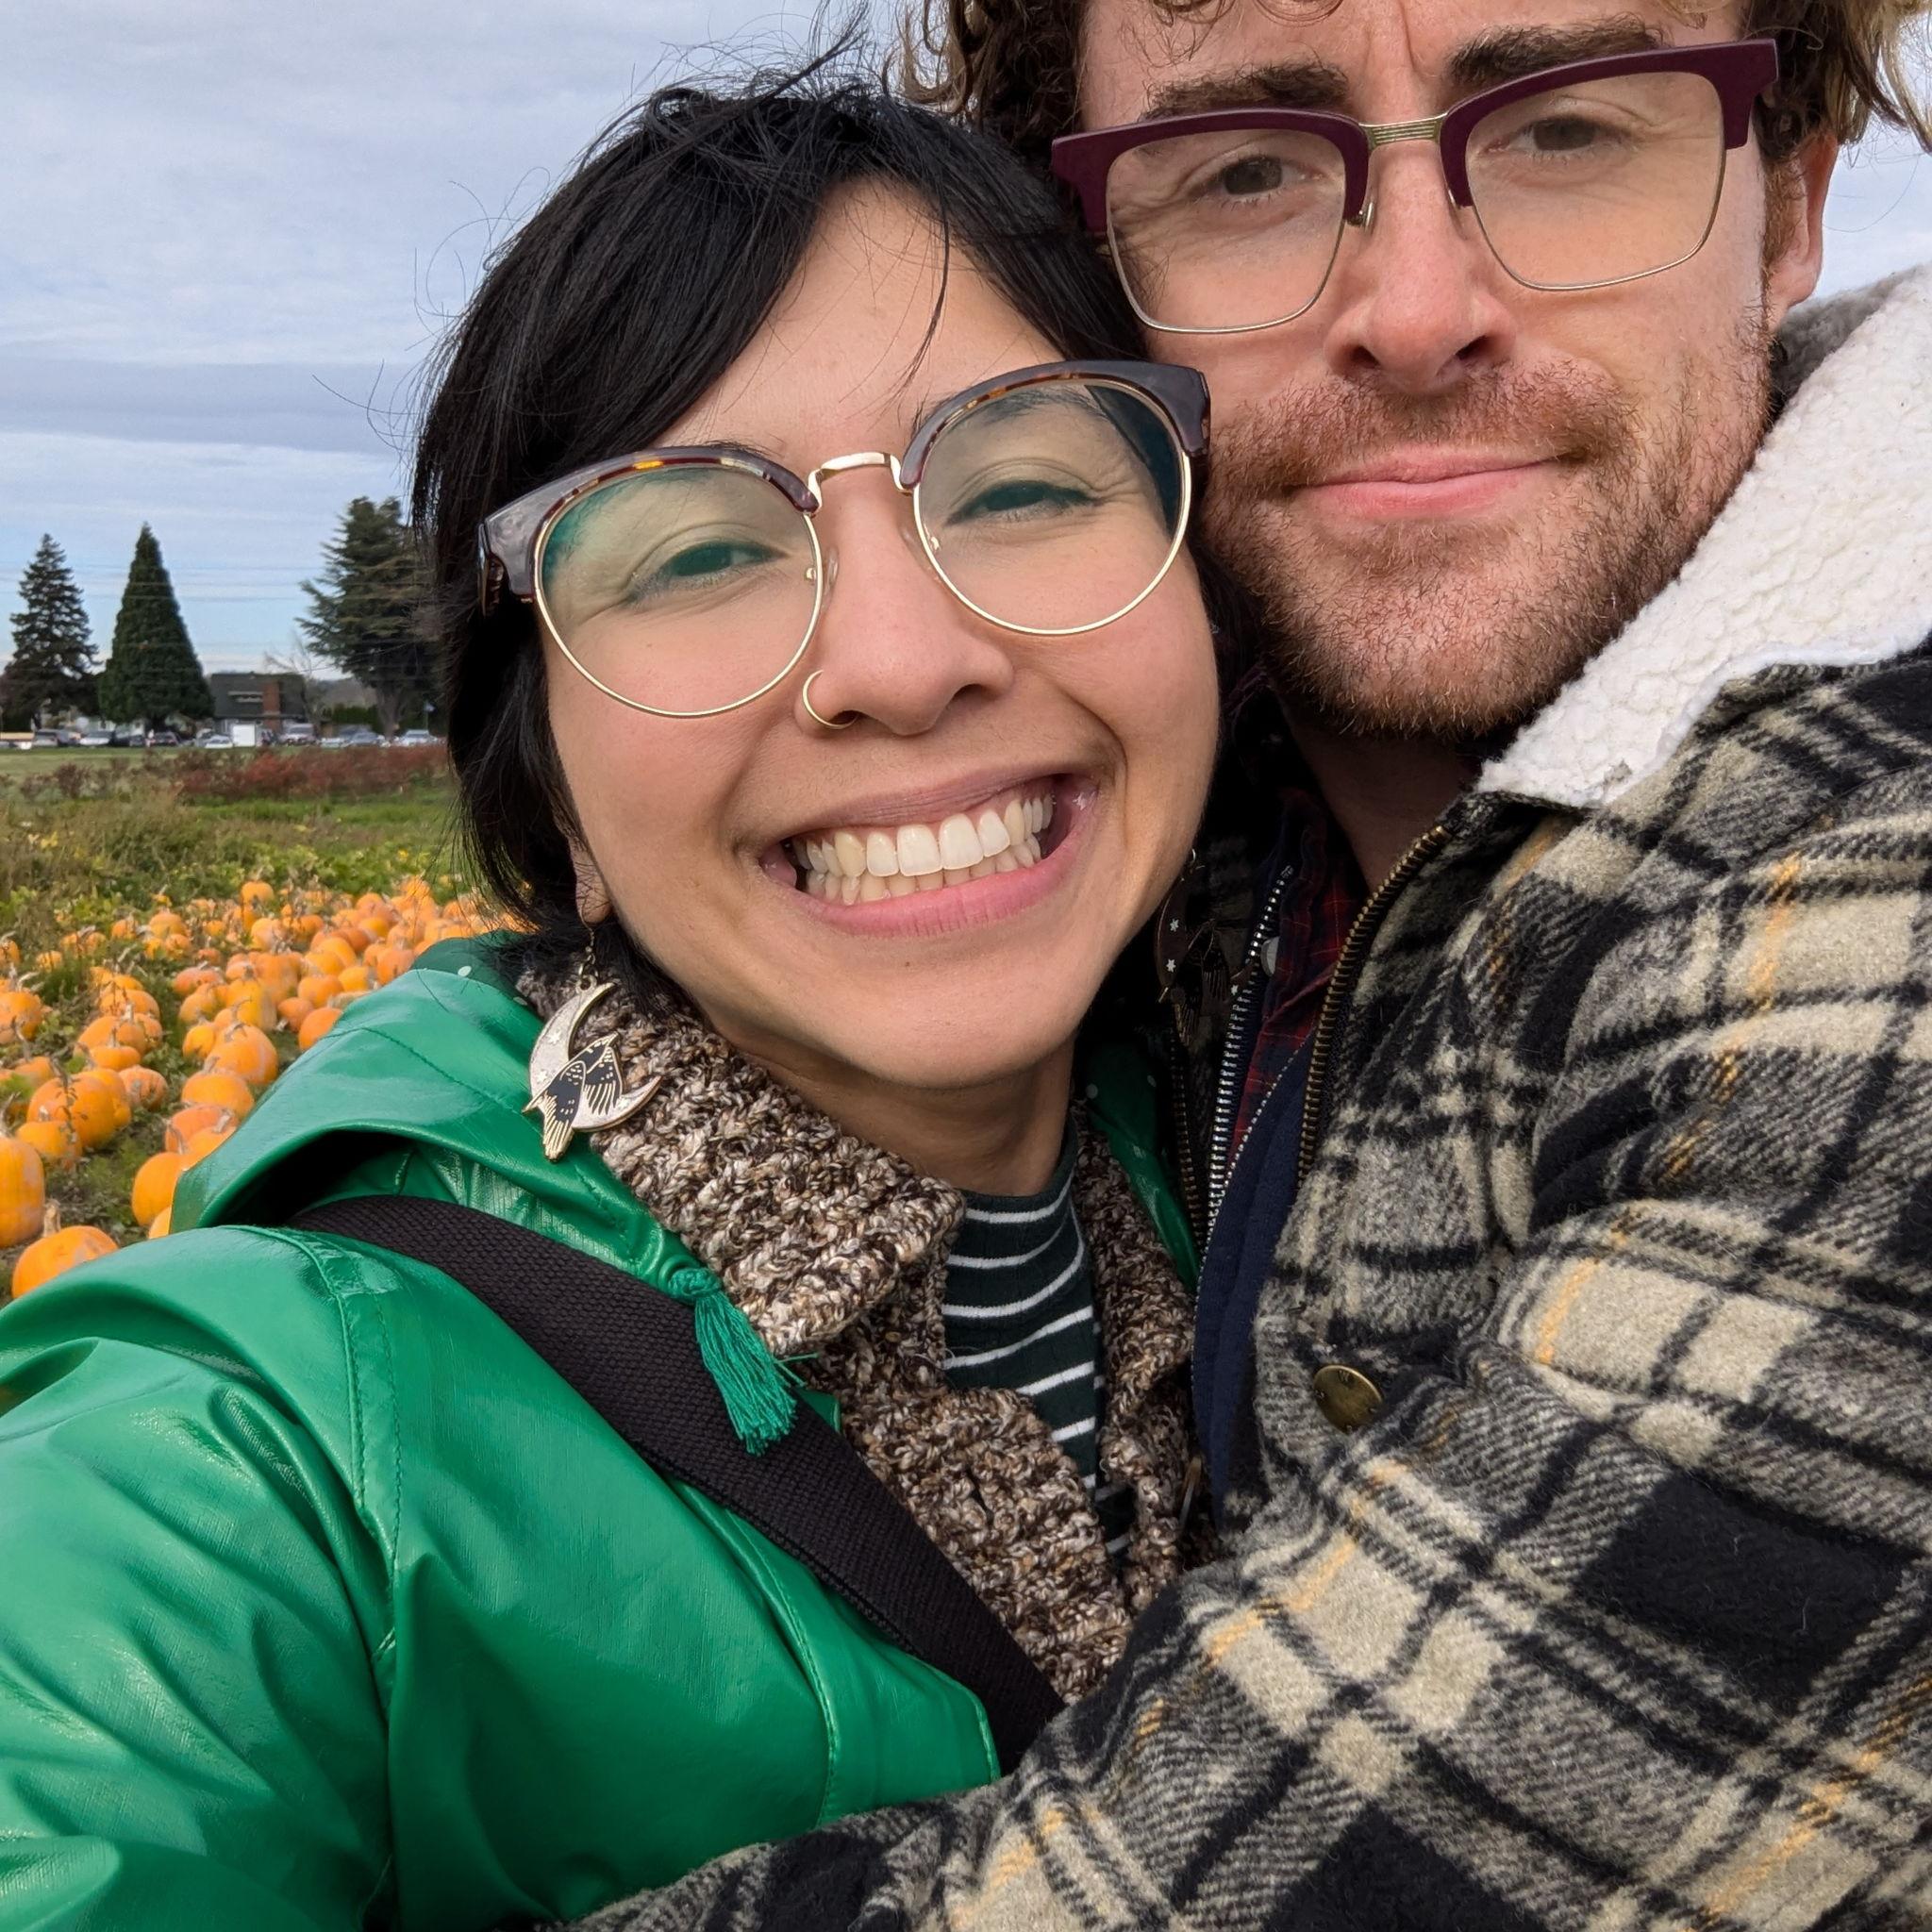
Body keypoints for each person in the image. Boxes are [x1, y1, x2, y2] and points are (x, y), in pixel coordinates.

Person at [550, 2, 1932, 1927]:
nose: (1416, 310)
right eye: (1249, 171)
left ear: (1785, 207)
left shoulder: (1880, 926)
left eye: (1565, 132)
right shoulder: (1161, 837)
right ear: (1093, 297)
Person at [0, 75, 1229, 1930]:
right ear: (552, 794)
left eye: (1026, 482)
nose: (902, 662)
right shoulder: (261, 1456)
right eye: (700, 550)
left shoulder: (1311, 1143)